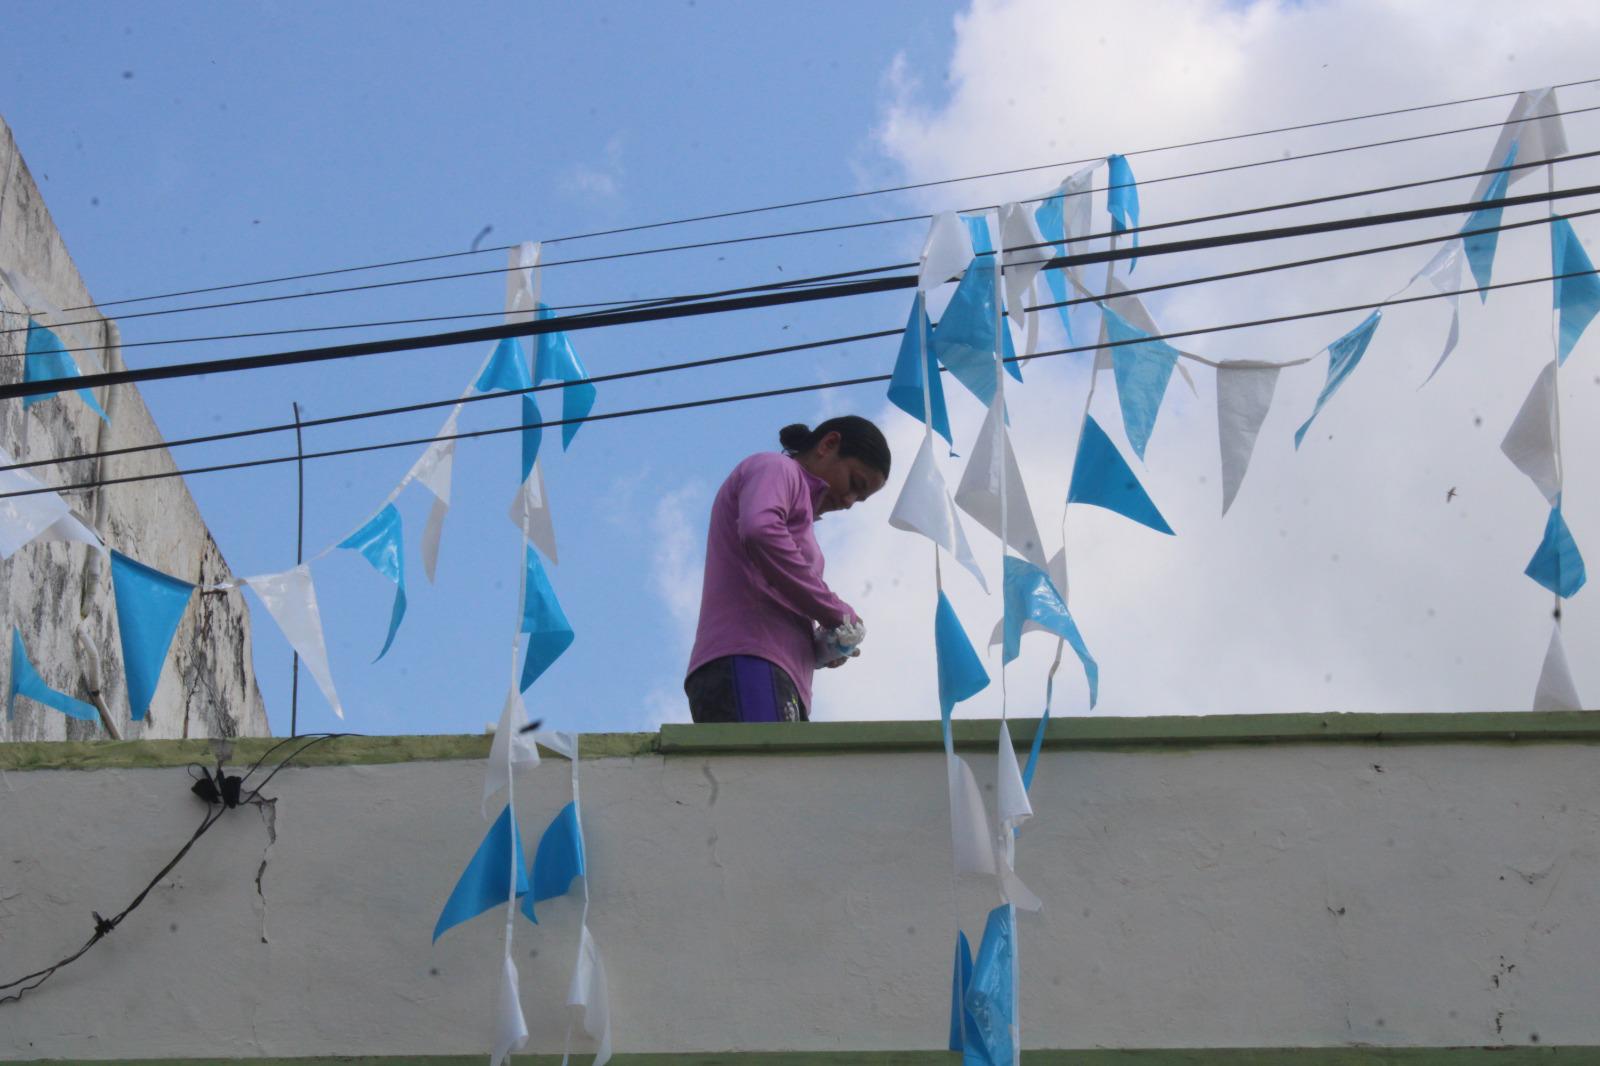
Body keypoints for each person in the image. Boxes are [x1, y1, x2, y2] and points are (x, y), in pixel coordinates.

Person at [684, 416, 891, 723]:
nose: (848, 502)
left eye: (859, 500)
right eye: (854, 484)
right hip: (750, 658)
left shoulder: (802, 519)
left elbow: (779, 588)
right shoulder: (776, 468)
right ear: (828, 444)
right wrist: (836, 612)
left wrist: (819, 646)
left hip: (777, 672)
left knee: (775, 770)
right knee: (763, 770)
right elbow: (761, 530)